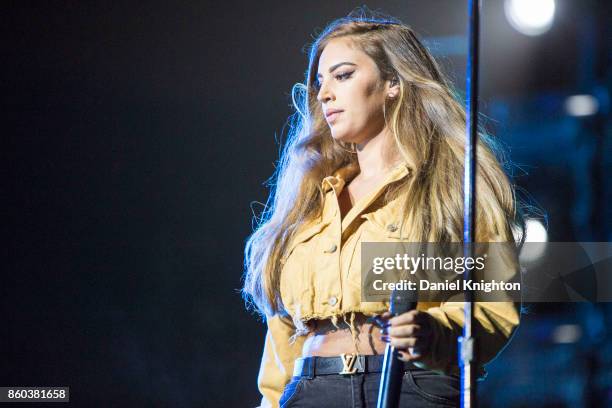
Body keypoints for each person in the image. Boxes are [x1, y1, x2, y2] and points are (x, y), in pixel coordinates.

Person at [243, 12, 522, 408]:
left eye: (342, 75)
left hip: (412, 383)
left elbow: (495, 304)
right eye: (320, 82)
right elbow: (281, 339)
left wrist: (434, 331)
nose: (324, 94)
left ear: (393, 83)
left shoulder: (449, 188)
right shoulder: (306, 201)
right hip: (311, 390)